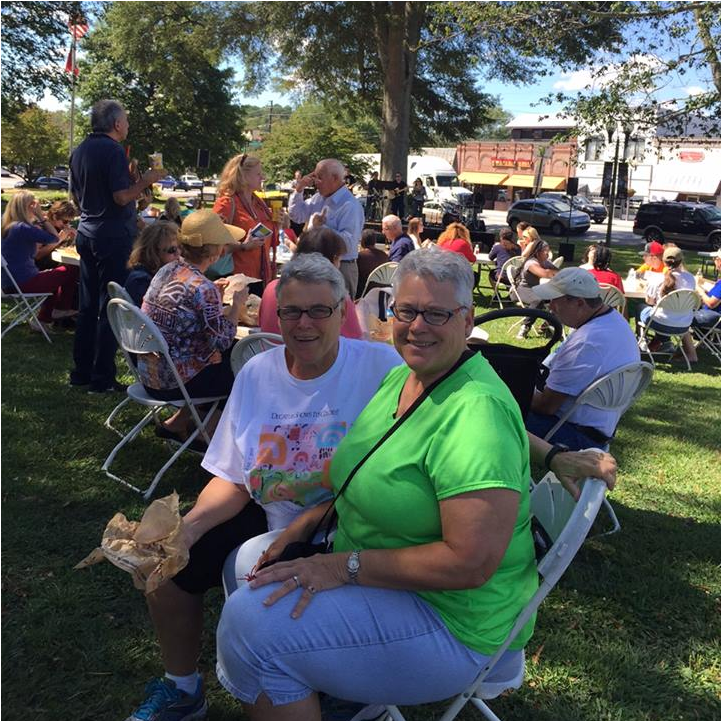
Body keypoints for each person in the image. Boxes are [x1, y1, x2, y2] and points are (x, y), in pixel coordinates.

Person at [213, 249, 538, 720]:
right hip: (383, 578)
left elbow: (468, 565)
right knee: (246, 564)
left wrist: (338, 567)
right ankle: (322, 687)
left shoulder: (477, 414)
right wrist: (303, 524)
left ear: (467, 321)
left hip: (452, 621)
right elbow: (355, 468)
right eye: (406, 311)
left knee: (252, 628)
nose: (417, 326)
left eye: (436, 313)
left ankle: (309, 682)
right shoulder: (406, 376)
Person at [124, 253, 402, 721]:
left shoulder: (381, 367)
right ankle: (183, 690)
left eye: (319, 310)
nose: (304, 324)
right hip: (268, 516)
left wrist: (548, 452)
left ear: (342, 312)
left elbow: (459, 406)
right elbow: (233, 477)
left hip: (351, 523)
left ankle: (344, 687)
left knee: (269, 605)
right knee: (166, 566)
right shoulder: (257, 373)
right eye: (291, 311)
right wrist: (188, 530)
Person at [69, 99, 163, 392]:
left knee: (87, 307)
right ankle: (102, 378)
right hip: (111, 235)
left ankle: (81, 373)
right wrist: (146, 180)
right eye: (126, 120)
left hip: (86, 231)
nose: (128, 125)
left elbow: (75, 197)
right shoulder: (113, 150)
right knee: (112, 305)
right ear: (117, 124)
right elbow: (122, 197)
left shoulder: (79, 150)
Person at [138, 210, 247, 443]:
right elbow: (223, 340)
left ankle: (176, 424)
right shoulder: (202, 288)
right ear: (215, 252)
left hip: (148, 370)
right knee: (243, 369)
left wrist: (213, 298)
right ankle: (205, 436)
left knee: (216, 360)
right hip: (173, 382)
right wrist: (236, 306)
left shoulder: (168, 270)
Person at [526, 268, 640, 450]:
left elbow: (546, 406)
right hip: (598, 430)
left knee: (496, 410)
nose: (550, 306)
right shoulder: (613, 320)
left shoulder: (587, 342)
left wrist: (511, 389)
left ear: (579, 303)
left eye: (556, 300)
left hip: (574, 434)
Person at [259, 227, 363, 339]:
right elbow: (356, 341)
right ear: (334, 259)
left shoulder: (271, 288)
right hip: (308, 354)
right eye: (339, 260)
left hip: (268, 350)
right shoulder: (337, 297)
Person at [0, 191, 79, 329]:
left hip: (7, 281)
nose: (39, 207)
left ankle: (42, 320)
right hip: (23, 282)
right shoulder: (23, 228)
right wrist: (42, 218)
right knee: (71, 269)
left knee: (51, 277)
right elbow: (54, 238)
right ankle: (60, 309)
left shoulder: (7, 224)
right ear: (28, 207)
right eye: (35, 205)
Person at [289, 158, 365, 298]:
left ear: (335, 178)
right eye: (314, 177)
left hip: (341, 267)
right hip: (317, 265)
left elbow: (348, 244)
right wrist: (299, 189)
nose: (315, 182)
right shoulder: (319, 198)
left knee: (339, 314)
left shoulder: (350, 205)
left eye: (320, 177)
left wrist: (322, 228)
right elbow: (296, 216)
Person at [213, 154, 279, 297]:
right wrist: (243, 246)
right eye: (258, 174)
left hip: (261, 277)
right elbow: (212, 246)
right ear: (242, 176)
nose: (263, 177)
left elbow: (272, 242)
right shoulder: (227, 203)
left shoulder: (259, 204)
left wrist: (278, 224)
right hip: (236, 280)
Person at [637, 246, 696, 356]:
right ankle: (661, 343)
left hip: (660, 323)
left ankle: (641, 341)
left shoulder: (657, 279)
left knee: (641, 307)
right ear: (681, 261)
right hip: (683, 325)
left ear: (663, 261)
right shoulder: (690, 279)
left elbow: (649, 302)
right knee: (662, 314)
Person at [123, 221, 181, 306]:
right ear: (153, 252)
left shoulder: (157, 274)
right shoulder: (142, 281)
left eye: (180, 247)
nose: (178, 253)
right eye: (172, 250)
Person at [513, 237, 558, 338]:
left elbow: (558, 272)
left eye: (548, 250)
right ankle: (525, 327)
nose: (547, 253)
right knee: (538, 300)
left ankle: (547, 325)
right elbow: (544, 274)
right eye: (545, 250)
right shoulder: (531, 263)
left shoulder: (545, 262)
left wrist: (559, 273)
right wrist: (555, 273)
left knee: (559, 298)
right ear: (537, 252)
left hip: (537, 289)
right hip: (523, 289)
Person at [356, 229, 388, 299]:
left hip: (364, 293)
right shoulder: (384, 255)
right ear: (374, 241)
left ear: (362, 241)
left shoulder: (360, 256)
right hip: (382, 293)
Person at [693, 249, 721, 328]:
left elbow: (711, 304)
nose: (713, 260)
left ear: (720, 261)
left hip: (713, 316)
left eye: (715, 258)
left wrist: (699, 289)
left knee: (682, 316)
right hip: (712, 314)